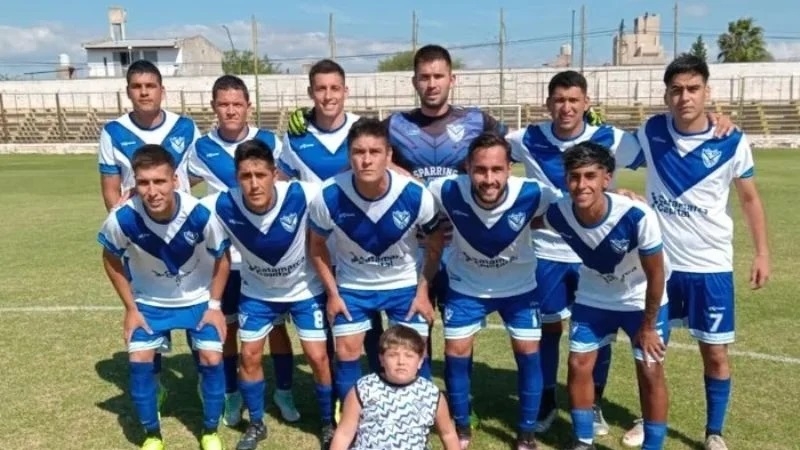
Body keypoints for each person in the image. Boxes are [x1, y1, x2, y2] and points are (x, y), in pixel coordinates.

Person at [506, 69, 738, 436]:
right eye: (559, 100)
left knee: (601, 334)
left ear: (587, 103)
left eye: (574, 100)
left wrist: (714, 122)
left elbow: (665, 149)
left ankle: (594, 404)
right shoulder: (527, 138)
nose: (566, 107)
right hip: (550, 251)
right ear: (548, 103)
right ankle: (548, 401)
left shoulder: (611, 137)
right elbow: (482, 150)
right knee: (549, 330)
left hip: (598, 253)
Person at [622, 54, 769, 450]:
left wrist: (761, 253)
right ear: (666, 96)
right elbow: (604, 158)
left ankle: (714, 432)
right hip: (660, 266)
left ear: (707, 92)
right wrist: (619, 192)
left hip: (711, 265)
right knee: (650, 353)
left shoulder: (731, 140)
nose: (684, 97)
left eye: (693, 89)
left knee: (716, 354)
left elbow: (750, 199)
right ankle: (649, 419)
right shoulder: (651, 131)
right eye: (676, 90)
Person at [427, 132, 559, 449]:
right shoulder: (444, 190)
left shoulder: (535, 192)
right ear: (468, 167)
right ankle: (462, 427)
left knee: (528, 353)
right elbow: (409, 199)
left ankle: (526, 434)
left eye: (497, 169)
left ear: (509, 168)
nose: (489, 179)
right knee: (456, 352)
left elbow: (576, 206)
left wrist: (619, 194)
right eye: (481, 170)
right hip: (466, 286)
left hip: (520, 288)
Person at [536, 141, 671, 450]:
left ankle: (653, 446)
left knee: (650, 370)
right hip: (594, 297)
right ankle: (584, 441)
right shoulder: (559, 212)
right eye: (574, 177)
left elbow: (656, 276)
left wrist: (649, 326)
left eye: (590, 176)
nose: (581, 185)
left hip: (639, 298)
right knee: (578, 364)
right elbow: (527, 222)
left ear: (606, 178)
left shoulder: (637, 215)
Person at [97, 144, 230, 450]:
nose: (152, 191)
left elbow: (222, 258)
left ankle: (210, 430)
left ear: (175, 181)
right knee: (139, 360)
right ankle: (152, 435)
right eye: (144, 183)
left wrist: (214, 306)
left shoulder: (199, 214)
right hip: (150, 303)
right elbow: (110, 258)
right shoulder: (122, 218)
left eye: (160, 181)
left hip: (198, 300)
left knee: (212, 359)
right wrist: (131, 308)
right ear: (134, 184)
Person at [204, 139, 334, 450]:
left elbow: (345, 189)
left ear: (274, 174)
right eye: (245, 176)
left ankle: (328, 421)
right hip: (258, 293)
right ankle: (256, 423)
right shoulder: (221, 204)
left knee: (318, 357)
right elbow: (178, 204)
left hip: (305, 290)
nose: (254, 184)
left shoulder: (303, 194)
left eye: (260, 175)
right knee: (249, 355)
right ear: (236, 178)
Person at [307, 117, 443, 407]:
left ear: (388, 155)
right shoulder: (328, 196)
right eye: (358, 152)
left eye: (374, 152)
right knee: (346, 351)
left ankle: (418, 413)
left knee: (414, 351)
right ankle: (352, 419)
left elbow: (435, 245)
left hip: (404, 285)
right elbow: (316, 246)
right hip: (353, 286)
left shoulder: (415, 194)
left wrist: (423, 292)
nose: (366, 160)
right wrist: (333, 294)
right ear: (349, 156)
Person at [187, 74, 299, 427]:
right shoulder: (200, 149)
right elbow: (181, 187)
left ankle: (284, 391)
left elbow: (286, 184)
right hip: (225, 258)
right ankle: (232, 394)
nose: (231, 111)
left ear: (248, 106)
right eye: (224, 104)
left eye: (237, 104)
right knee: (229, 328)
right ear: (213, 107)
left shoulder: (269, 141)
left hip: (264, 256)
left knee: (277, 329)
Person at [97, 59, 202, 410]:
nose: (144, 92)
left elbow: (196, 172)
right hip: (141, 239)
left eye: (150, 86)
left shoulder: (185, 127)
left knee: (193, 303)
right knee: (149, 308)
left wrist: (176, 194)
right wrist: (127, 229)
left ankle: (203, 378)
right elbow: (110, 188)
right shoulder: (113, 132)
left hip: (182, 233)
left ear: (162, 90)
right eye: (137, 87)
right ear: (128, 92)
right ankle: (156, 383)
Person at [329, 325, 461, 450]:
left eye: (409, 356)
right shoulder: (364, 389)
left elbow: (448, 434)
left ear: (420, 361)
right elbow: (344, 433)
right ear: (381, 359)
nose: (401, 362)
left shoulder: (431, 394)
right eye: (393, 355)